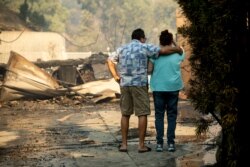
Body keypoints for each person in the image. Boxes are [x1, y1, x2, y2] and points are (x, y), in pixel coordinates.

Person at [107, 28, 182, 153]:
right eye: (145, 38)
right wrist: (177, 49)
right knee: (142, 113)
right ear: (141, 38)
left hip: (124, 85)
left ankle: (124, 145)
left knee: (125, 114)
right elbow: (163, 51)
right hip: (139, 84)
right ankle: (141, 146)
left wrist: (115, 76)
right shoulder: (144, 47)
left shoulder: (122, 49)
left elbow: (109, 60)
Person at [149, 29, 185, 152]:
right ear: (171, 40)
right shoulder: (178, 53)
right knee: (171, 115)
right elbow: (179, 48)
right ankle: (170, 143)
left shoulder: (155, 54)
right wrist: (174, 43)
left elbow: (149, 70)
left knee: (159, 115)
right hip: (173, 88)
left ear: (160, 41)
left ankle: (159, 144)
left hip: (158, 87)